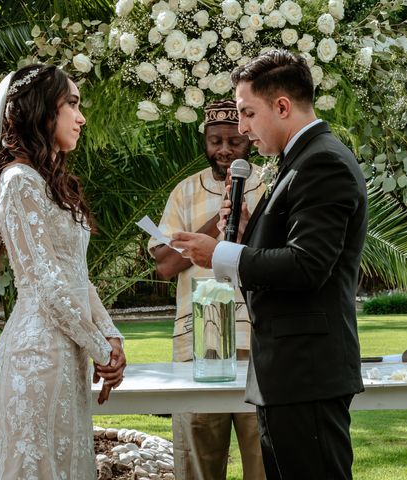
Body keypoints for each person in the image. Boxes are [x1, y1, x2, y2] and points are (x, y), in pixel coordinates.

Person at [171, 50, 368, 479]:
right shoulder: (297, 160)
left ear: (282, 106)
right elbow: (287, 254)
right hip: (285, 374)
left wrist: (218, 253)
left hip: (306, 374)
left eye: (247, 113)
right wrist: (243, 235)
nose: (241, 128)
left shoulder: (323, 161)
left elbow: (307, 265)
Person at [0, 64, 126, 480]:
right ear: (40, 111)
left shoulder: (55, 184)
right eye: (71, 104)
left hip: (67, 353)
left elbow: (77, 277)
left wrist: (112, 336)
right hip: (37, 356)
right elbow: (47, 285)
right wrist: (101, 352)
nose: (81, 116)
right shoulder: (19, 182)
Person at [148, 100, 266, 480]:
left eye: (233, 140)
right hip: (197, 345)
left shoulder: (269, 186)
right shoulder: (184, 192)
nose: (224, 149)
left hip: (258, 342)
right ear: (206, 140)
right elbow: (165, 265)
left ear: (248, 140)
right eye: (216, 140)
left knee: (263, 455)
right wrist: (219, 223)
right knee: (197, 460)